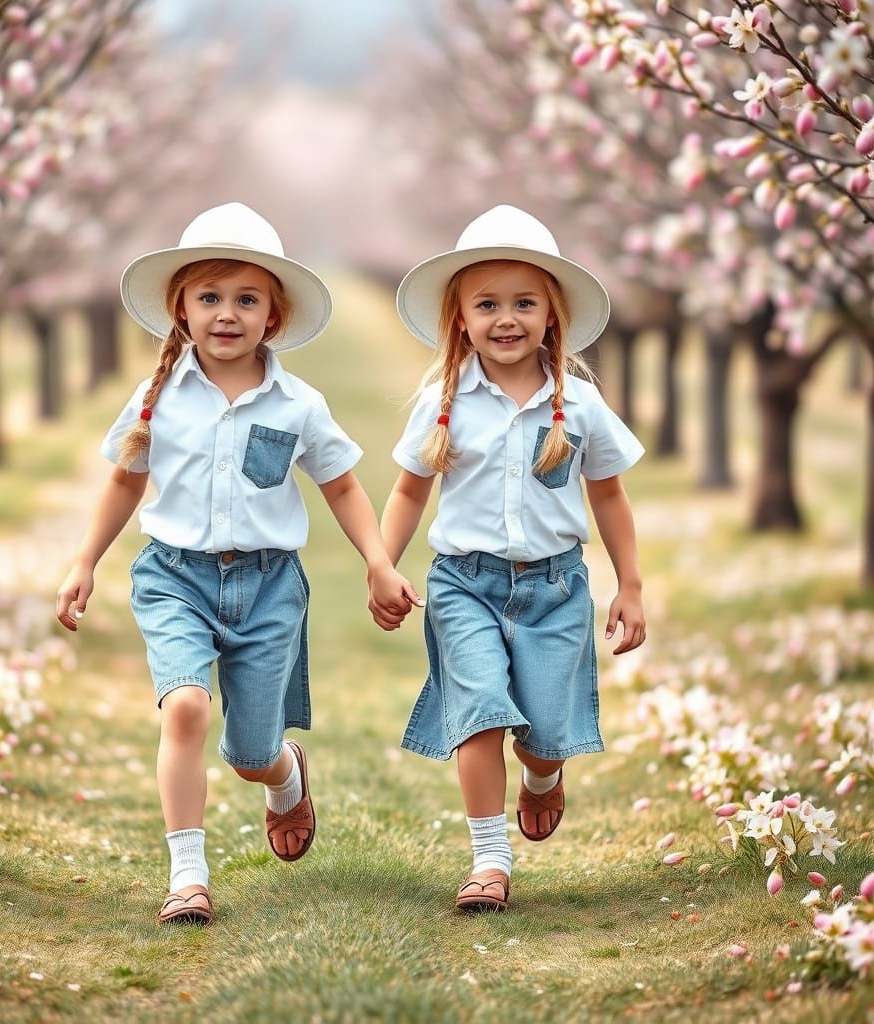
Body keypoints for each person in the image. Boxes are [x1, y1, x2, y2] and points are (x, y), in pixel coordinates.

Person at [56, 203, 418, 925]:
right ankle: (187, 874)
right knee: (185, 708)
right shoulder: (156, 399)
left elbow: (341, 484)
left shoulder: (299, 404)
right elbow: (126, 479)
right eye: (210, 298)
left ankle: (282, 777)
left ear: (273, 317)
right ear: (181, 310)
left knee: (250, 751)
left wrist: (379, 561)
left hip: (267, 589)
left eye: (246, 299)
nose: (227, 314)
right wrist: (85, 560)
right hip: (174, 577)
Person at [375, 205, 646, 912]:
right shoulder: (442, 402)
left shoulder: (579, 404)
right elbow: (409, 489)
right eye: (486, 304)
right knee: (481, 712)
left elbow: (610, 497)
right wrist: (384, 564)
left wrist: (631, 585)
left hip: (556, 588)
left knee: (546, 738)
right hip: (465, 584)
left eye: (524, 303)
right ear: (459, 317)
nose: (506, 319)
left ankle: (543, 777)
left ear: (552, 315)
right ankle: (489, 861)